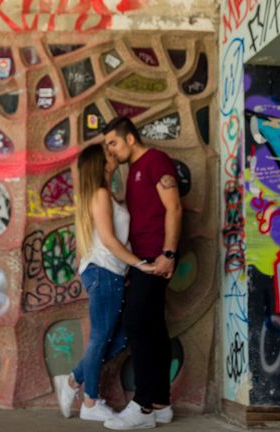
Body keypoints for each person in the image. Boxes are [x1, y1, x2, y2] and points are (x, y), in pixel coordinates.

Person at [55, 144, 155, 422]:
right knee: (101, 337)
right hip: (105, 272)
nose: (114, 158)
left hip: (109, 273)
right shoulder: (99, 194)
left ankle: (74, 380)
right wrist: (139, 263)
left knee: (120, 337)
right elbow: (110, 240)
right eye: (109, 155)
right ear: (100, 164)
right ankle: (90, 401)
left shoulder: (105, 194)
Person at [102, 116, 182, 430]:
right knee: (155, 328)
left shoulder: (155, 160)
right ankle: (160, 403)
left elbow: (173, 206)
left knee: (137, 323)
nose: (111, 150)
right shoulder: (134, 169)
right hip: (143, 258)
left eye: (113, 143)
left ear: (130, 139)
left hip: (155, 257)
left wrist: (169, 253)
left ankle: (143, 406)